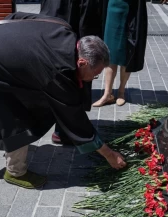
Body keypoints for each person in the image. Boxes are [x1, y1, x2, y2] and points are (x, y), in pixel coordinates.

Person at [0, 12, 127, 189]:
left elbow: (15, 17)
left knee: (31, 106)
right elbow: (75, 119)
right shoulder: (58, 71)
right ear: (81, 62)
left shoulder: (62, 26)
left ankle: (14, 152)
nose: (91, 80)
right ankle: (15, 172)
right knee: (18, 121)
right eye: (94, 75)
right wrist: (109, 154)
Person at [40, 0, 105, 144]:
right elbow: (87, 25)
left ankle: (60, 124)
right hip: (70, 30)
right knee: (73, 73)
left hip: (49, 28)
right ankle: (66, 129)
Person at [92, 0, 148, 107]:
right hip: (111, 10)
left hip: (129, 12)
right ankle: (107, 94)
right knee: (110, 53)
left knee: (126, 54)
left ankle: (121, 92)